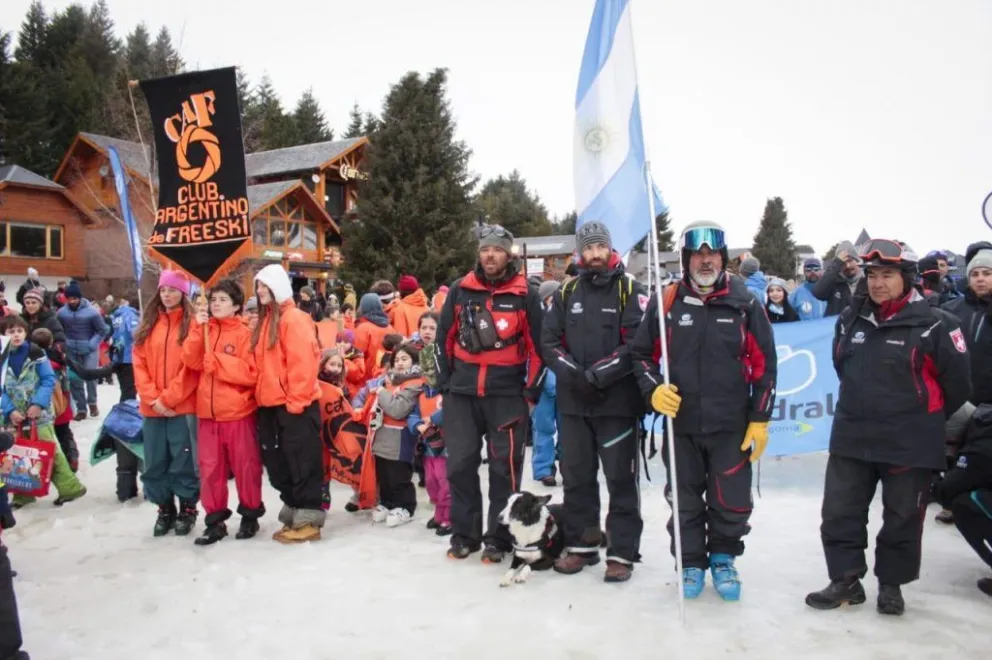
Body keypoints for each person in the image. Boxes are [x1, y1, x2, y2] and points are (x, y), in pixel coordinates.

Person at [805, 239, 971, 616]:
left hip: (910, 441)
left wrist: (921, 415)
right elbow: (841, 366)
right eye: (873, 275)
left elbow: (958, 385)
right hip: (852, 435)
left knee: (902, 516)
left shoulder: (938, 324)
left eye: (888, 275)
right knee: (839, 513)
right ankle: (845, 580)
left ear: (907, 278)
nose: (878, 283)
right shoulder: (850, 320)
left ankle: (891, 585)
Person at [632, 220, 777, 601]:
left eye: (712, 254)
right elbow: (641, 355)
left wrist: (760, 418)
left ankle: (724, 558)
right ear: (686, 259)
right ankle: (691, 562)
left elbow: (765, 366)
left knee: (732, 500)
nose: (706, 260)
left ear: (723, 258)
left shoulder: (745, 302)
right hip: (681, 425)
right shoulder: (667, 301)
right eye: (698, 254)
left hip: (731, 424)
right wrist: (653, 390)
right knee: (684, 500)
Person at [541, 222, 646, 583]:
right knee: (577, 478)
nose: (595, 254)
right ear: (580, 253)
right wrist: (575, 375)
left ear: (610, 249)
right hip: (574, 404)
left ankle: (621, 553)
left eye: (601, 246)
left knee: (620, 480)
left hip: (617, 404)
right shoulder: (567, 291)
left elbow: (636, 344)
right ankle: (582, 546)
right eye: (589, 248)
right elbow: (549, 342)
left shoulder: (629, 289)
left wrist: (598, 375)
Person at [436, 224, 545, 563]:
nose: (490, 256)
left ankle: (498, 538)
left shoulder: (526, 294)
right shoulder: (460, 290)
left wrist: (530, 393)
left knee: (504, 470)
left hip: (507, 397)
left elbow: (540, 348)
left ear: (508, 254)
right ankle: (464, 535)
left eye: (497, 250)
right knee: (460, 466)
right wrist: (446, 386)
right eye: (485, 249)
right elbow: (442, 340)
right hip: (462, 396)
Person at [182, 279, 264, 545]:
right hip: (207, 413)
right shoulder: (204, 329)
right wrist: (197, 328)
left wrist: (218, 362)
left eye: (223, 300)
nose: (216, 304)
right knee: (210, 469)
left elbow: (251, 373)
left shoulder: (244, 334)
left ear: (237, 306)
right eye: (213, 299)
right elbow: (191, 360)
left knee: (246, 466)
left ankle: (250, 514)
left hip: (238, 412)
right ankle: (215, 521)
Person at [252, 264, 325, 543]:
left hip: (295, 406)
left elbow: (303, 363)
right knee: (279, 465)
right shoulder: (267, 321)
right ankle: (294, 510)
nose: (260, 291)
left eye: (265, 285)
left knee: (302, 462)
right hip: (270, 405)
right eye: (258, 286)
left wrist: (296, 403)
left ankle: (308, 518)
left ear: (278, 287)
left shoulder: (293, 319)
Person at [132, 271, 199, 536]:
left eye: (172, 290)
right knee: (154, 461)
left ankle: (187, 507)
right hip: (153, 409)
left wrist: (168, 398)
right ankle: (164, 507)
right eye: (163, 290)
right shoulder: (149, 325)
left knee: (182, 460)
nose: (167, 295)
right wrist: (153, 399)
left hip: (181, 407)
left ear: (183, 293)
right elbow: (139, 365)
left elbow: (191, 368)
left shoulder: (193, 325)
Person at [1, 317, 87, 508]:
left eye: (19, 331)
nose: (16, 335)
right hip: (13, 416)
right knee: (17, 454)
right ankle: (23, 494)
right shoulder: (2, 356)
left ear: (25, 333)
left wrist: (38, 404)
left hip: (39, 414)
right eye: (11, 331)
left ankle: (70, 488)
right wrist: (10, 410)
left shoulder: (35, 352)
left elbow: (48, 379)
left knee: (47, 451)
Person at [364, 343, 424, 527]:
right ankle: (387, 502)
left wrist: (381, 392)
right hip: (382, 432)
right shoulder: (388, 380)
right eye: (396, 359)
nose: (399, 363)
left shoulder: (415, 384)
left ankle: (405, 506)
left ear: (414, 361)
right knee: (384, 473)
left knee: (398, 474)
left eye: (404, 359)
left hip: (400, 436)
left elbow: (397, 410)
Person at [942, 243, 992, 405]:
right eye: (975, 274)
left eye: (987, 273)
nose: (980, 278)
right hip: (957, 402)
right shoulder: (949, 310)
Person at [56, 281, 108, 419]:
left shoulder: (92, 312)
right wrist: (63, 343)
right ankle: (81, 408)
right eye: (69, 298)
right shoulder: (62, 313)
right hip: (71, 349)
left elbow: (103, 330)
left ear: (79, 298)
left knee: (90, 376)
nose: (72, 301)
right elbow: (59, 330)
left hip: (89, 349)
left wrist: (92, 344)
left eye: (75, 298)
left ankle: (92, 402)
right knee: (75, 379)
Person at [532, 280, 561, 487]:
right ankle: (544, 469)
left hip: (566, 382)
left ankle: (569, 465)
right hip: (542, 383)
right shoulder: (537, 321)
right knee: (543, 428)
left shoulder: (569, 317)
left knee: (569, 430)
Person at [812, 241, 865, 316]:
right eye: (843, 263)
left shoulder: (867, 281)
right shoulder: (834, 282)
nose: (847, 266)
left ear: (857, 260)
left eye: (850, 261)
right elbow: (818, 293)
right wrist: (836, 264)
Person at [354, 294, 396, 380]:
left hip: (366, 377)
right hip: (384, 375)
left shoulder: (363, 328)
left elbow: (357, 355)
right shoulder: (390, 327)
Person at [110, 299, 139, 401]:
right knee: (130, 390)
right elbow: (135, 333)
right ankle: (127, 409)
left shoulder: (115, 316)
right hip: (129, 356)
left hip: (118, 355)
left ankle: (124, 408)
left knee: (125, 389)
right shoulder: (130, 315)